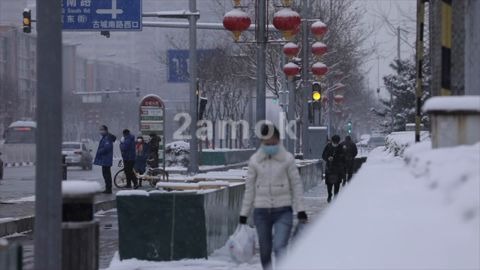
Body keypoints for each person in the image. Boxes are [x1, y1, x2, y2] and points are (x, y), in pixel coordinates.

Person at [239, 124, 308, 270]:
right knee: (265, 251)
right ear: (262, 142)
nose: (270, 145)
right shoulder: (255, 161)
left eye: (273, 142)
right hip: (261, 212)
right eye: (267, 143)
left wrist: (301, 209)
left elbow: (296, 185)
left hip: (283, 210)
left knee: (279, 247)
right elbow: (249, 189)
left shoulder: (287, 159)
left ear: (278, 140)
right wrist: (244, 214)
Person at [322, 135, 345, 203]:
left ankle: (336, 196)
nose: (335, 144)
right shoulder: (328, 146)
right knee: (329, 183)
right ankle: (329, 195)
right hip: (329, 168)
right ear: (332, 141)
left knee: (337, 183)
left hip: (338, 168)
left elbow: (343, 157)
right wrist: (328, 158)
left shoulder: (341, 147)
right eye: (334, 142)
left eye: (337, 142)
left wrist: (337, 158)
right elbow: (323, 155)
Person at [94, 125, 116, 194]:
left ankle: (108, 189)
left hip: (106, 159)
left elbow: (107, 148)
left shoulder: (107, 138)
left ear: (106, 130)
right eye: (100, 129)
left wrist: (100, 151)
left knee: (107, 175)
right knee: (106, 174)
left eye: (102, 129)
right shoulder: (105, 137)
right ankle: (108, 188)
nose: (101, 131)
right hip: (105, 159)